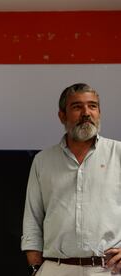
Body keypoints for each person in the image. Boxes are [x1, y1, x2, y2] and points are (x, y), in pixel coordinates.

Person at [21, 83, 121, 276]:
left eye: (92, 106)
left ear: (99, 112)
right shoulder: (43, 160)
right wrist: (35, 268)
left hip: (108, 270)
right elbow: (32, 217)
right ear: (62, 116)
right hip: (56, 268)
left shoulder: (118, 154)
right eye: (77, 107)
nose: (86, 113)